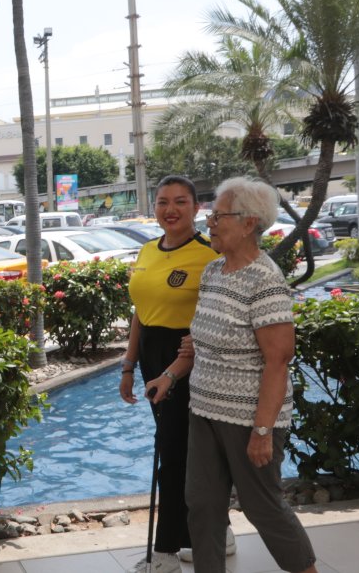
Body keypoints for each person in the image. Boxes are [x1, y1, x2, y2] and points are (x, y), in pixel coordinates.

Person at [147, 176, 318, 573]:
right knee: (202, 505)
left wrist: (263, 431)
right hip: (204, 410)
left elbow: (278, 361)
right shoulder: (213, 272)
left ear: (248, 223)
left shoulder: (265, 281)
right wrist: (170, 375)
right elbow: (198, 343)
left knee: (263, 508)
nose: (209, 223)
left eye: (218, 216)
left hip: (248, 418)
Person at [120, 175, 233, 573]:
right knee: (183, 450)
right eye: (163, 201)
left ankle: (166, 551)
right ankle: (218, 530)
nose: (170, 209)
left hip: (189, 356)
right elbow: (140, 312)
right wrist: (129, 365)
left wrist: (184, 356)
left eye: (181, 201)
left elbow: (218, 316)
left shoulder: (208, 255)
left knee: (173, 453)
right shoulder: (147, 250)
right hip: (151, 355)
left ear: (197, 208)